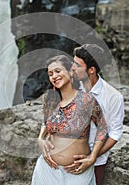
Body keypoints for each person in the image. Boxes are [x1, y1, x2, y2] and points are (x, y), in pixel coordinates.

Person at [31, 55, 108, 185]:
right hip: (47, 169)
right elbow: (45, 122)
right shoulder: (51, 100)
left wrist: (92, 157)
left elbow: (103, 128)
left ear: (70, 72)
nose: (54, 76)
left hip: (77, 171)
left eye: (58, 71)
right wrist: (40, 138)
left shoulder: (86, 100)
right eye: (50, 74)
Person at [66, 44, 125, 184]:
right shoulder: (69, 86)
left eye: (77, 65)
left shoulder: (114, 97)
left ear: (91, 70)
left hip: (95, 161)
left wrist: (93, 156)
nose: (72, 67)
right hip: (66, 155)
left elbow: (115, 133)